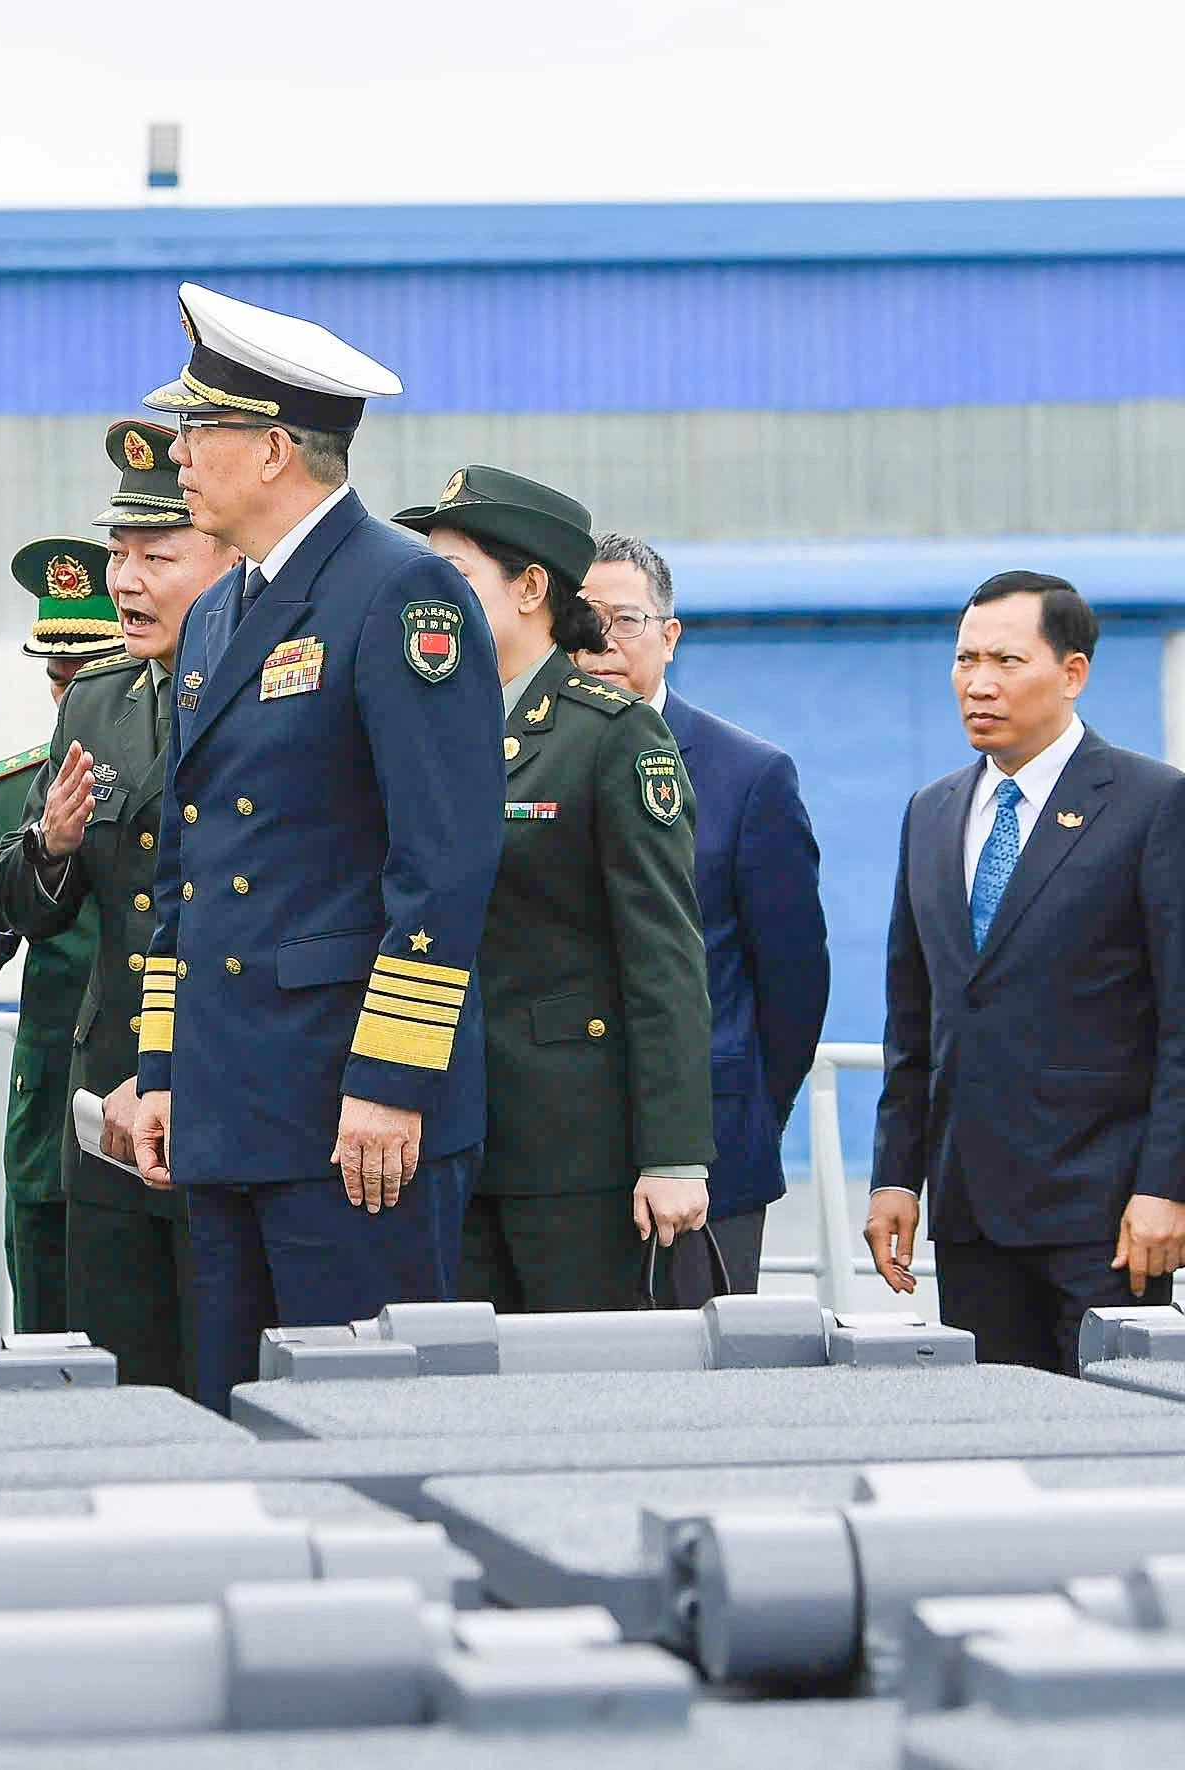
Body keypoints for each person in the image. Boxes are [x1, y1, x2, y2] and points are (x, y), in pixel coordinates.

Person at [124, 286, 503, 1412]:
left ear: (276, 449)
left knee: (362, 1414)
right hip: (229, 1094)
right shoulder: (215, 613)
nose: (178, 456)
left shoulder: (400, 590)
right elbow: (182, 868)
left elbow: (443, 861)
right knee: (234, 1404)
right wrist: (159, 1069)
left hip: (349, 1111)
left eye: (203, 434)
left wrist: (389, 1082)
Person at [393, 468, 714, 1313]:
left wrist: (674, 1154)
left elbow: (665, 956)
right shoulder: (423, 725)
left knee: (578, 1392)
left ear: (531, 588)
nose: (428, 604)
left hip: (570, 1149)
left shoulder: (610, 736)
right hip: (435, 1132)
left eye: (453, 579)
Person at [868, 572, 1185, 1372]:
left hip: (1104, 1218)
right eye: (966, 658)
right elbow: (916, 1020)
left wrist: (1168, 1188)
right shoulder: (931, 812)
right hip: (970, 1215)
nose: (979, 683)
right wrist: (894, 1179)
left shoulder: (1152, 805)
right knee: (995, 1444)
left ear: (1072, 674)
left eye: (1007, 661)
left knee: (1112, 1450)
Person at [0, 420, 244, 1391]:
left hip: (230, 1089)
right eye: (118, 555)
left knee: (228, 1368)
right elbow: (27, 907)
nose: (126, 582)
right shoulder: (94, 699)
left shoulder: (282, 686)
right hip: (109, 1097)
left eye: (155, 556)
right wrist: (46, 850)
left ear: (227, 561)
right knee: (120, 1375)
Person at [578, 533, 829, 1305]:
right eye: (583, 621)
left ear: (670, 635)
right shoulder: (512, 757)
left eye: (626, 621)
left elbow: (792, 983)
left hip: (708, 1162)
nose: (604, 643)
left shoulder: (747, 775)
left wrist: (746, 1104)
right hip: (560, 1151)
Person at [0, 530, 126, 1331]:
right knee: (50, 1352)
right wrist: (1, 903)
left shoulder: (193, 772)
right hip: (51, 1139)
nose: (69, 697)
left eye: (89, 675)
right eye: (57, 678)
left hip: (163, 1115)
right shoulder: (19, 794)